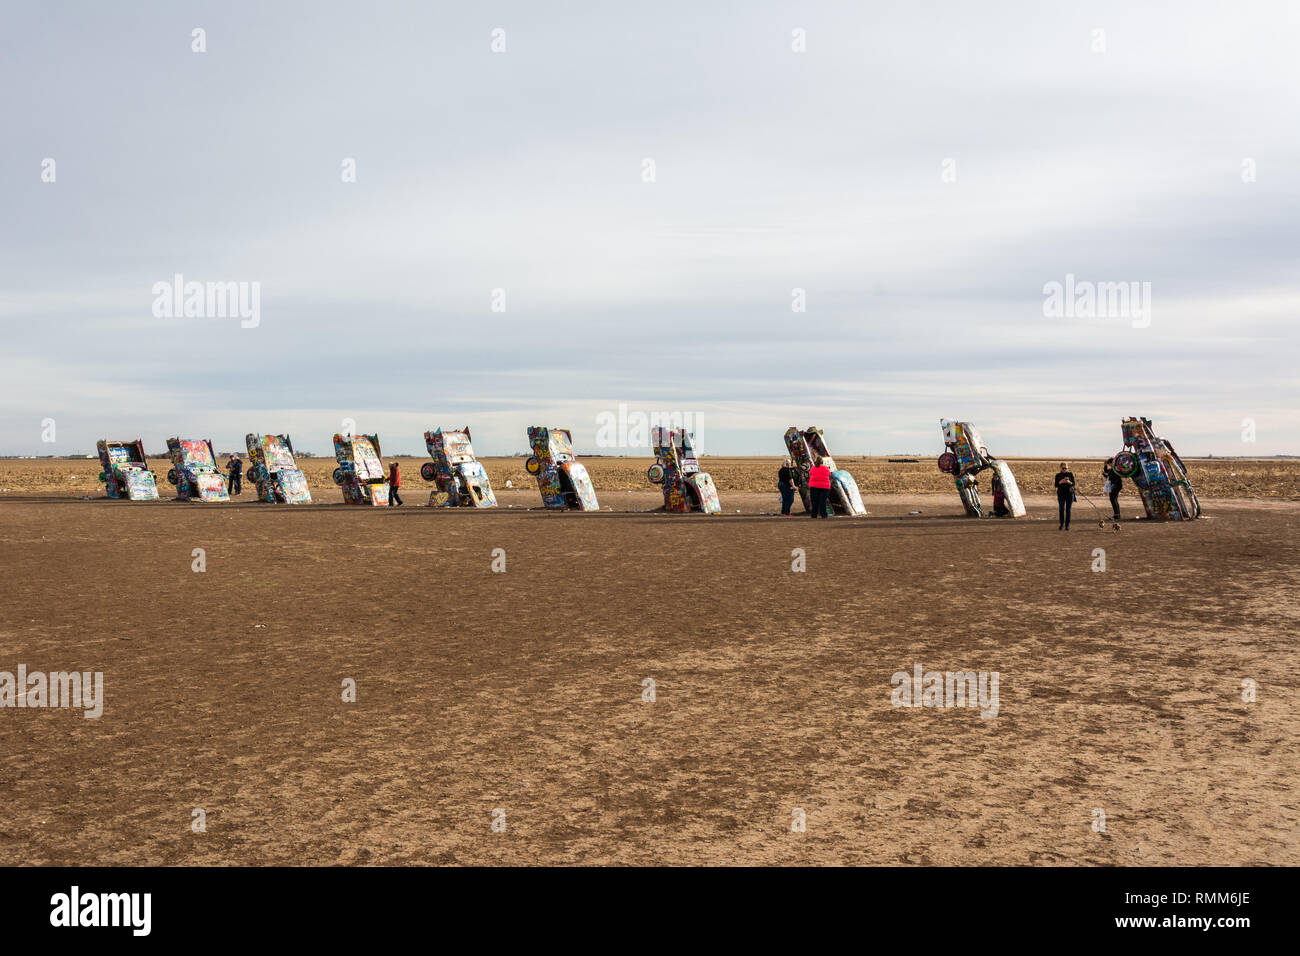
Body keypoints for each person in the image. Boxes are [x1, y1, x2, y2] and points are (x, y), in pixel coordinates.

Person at [1054, 461, 1075, 530]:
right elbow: (1056, 485)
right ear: (1060, 468)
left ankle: (1067, 525)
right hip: (1061, 495)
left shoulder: (1070, 474)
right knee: (1061, 509)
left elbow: (1073, 484)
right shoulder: (1058, 475)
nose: (1064, 470)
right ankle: (1061, 524)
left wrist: (1069, 482)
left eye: (1066, 468)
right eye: (1063, 468)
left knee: (1068, 510)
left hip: (1069, 494)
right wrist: (1061, 482)